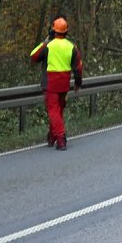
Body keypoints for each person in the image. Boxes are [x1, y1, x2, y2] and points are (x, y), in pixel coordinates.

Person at [30, 16, 83, 150]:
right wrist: (78, 83)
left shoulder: (49, 46)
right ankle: (52, 136)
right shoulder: (72, 47)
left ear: (53, 31)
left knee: (53, 111)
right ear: (66, 31)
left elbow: (33, 56)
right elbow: (78, 67)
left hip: (51, 84)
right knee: (58, 112)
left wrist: (46, 40)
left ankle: (61, 138)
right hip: (64, 84)